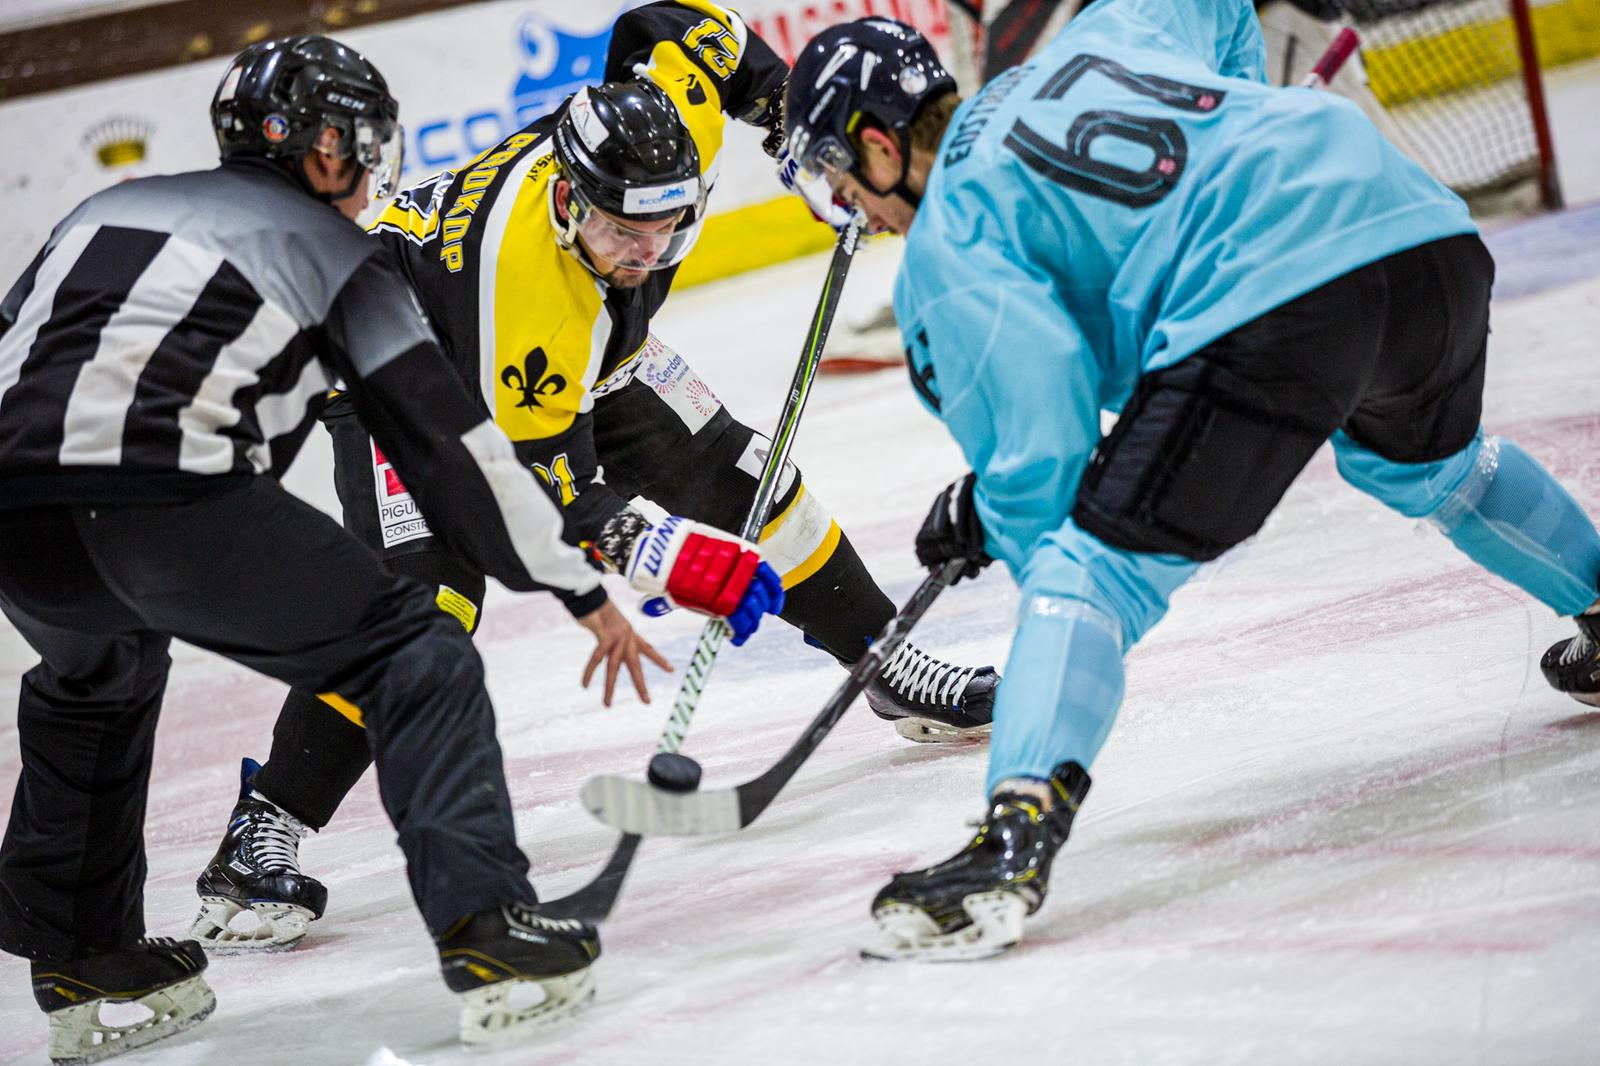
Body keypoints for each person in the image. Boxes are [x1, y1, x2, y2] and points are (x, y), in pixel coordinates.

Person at [0, 34, 782, 1059]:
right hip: (163, 498)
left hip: (14, 510)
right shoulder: (337, 253)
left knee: (94, 677)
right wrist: (570, 583)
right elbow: (447, 440)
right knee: (415, 651)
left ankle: (80, 952)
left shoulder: (99, 209)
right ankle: (489, 932)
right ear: (325, 152)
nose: (372, 170)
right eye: (360, 149)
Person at [779, 4, 1600, 961]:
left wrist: (986, 517)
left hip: (1271, 297)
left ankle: (1009, 851)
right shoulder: (1093, 41)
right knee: (1434, 469)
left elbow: (1043, 465)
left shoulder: (948, 243)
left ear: (881, 146)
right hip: (1413, 228)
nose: (859, 213)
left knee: (1090, 573)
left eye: (844, 182)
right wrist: (1245, 111)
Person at [187, 0, 1000, 955]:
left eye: (669, 226)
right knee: (429, 605)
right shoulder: (516, 296)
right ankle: (262, 829)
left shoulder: (661, 131)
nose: (647, 255)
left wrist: (787, 116)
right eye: (625, 233)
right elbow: (538, 487)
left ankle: (882, 660)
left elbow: (673, 25)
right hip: (407, 373)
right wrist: (668, 556)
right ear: (572, 202)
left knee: (745, 472)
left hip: (593, 352)